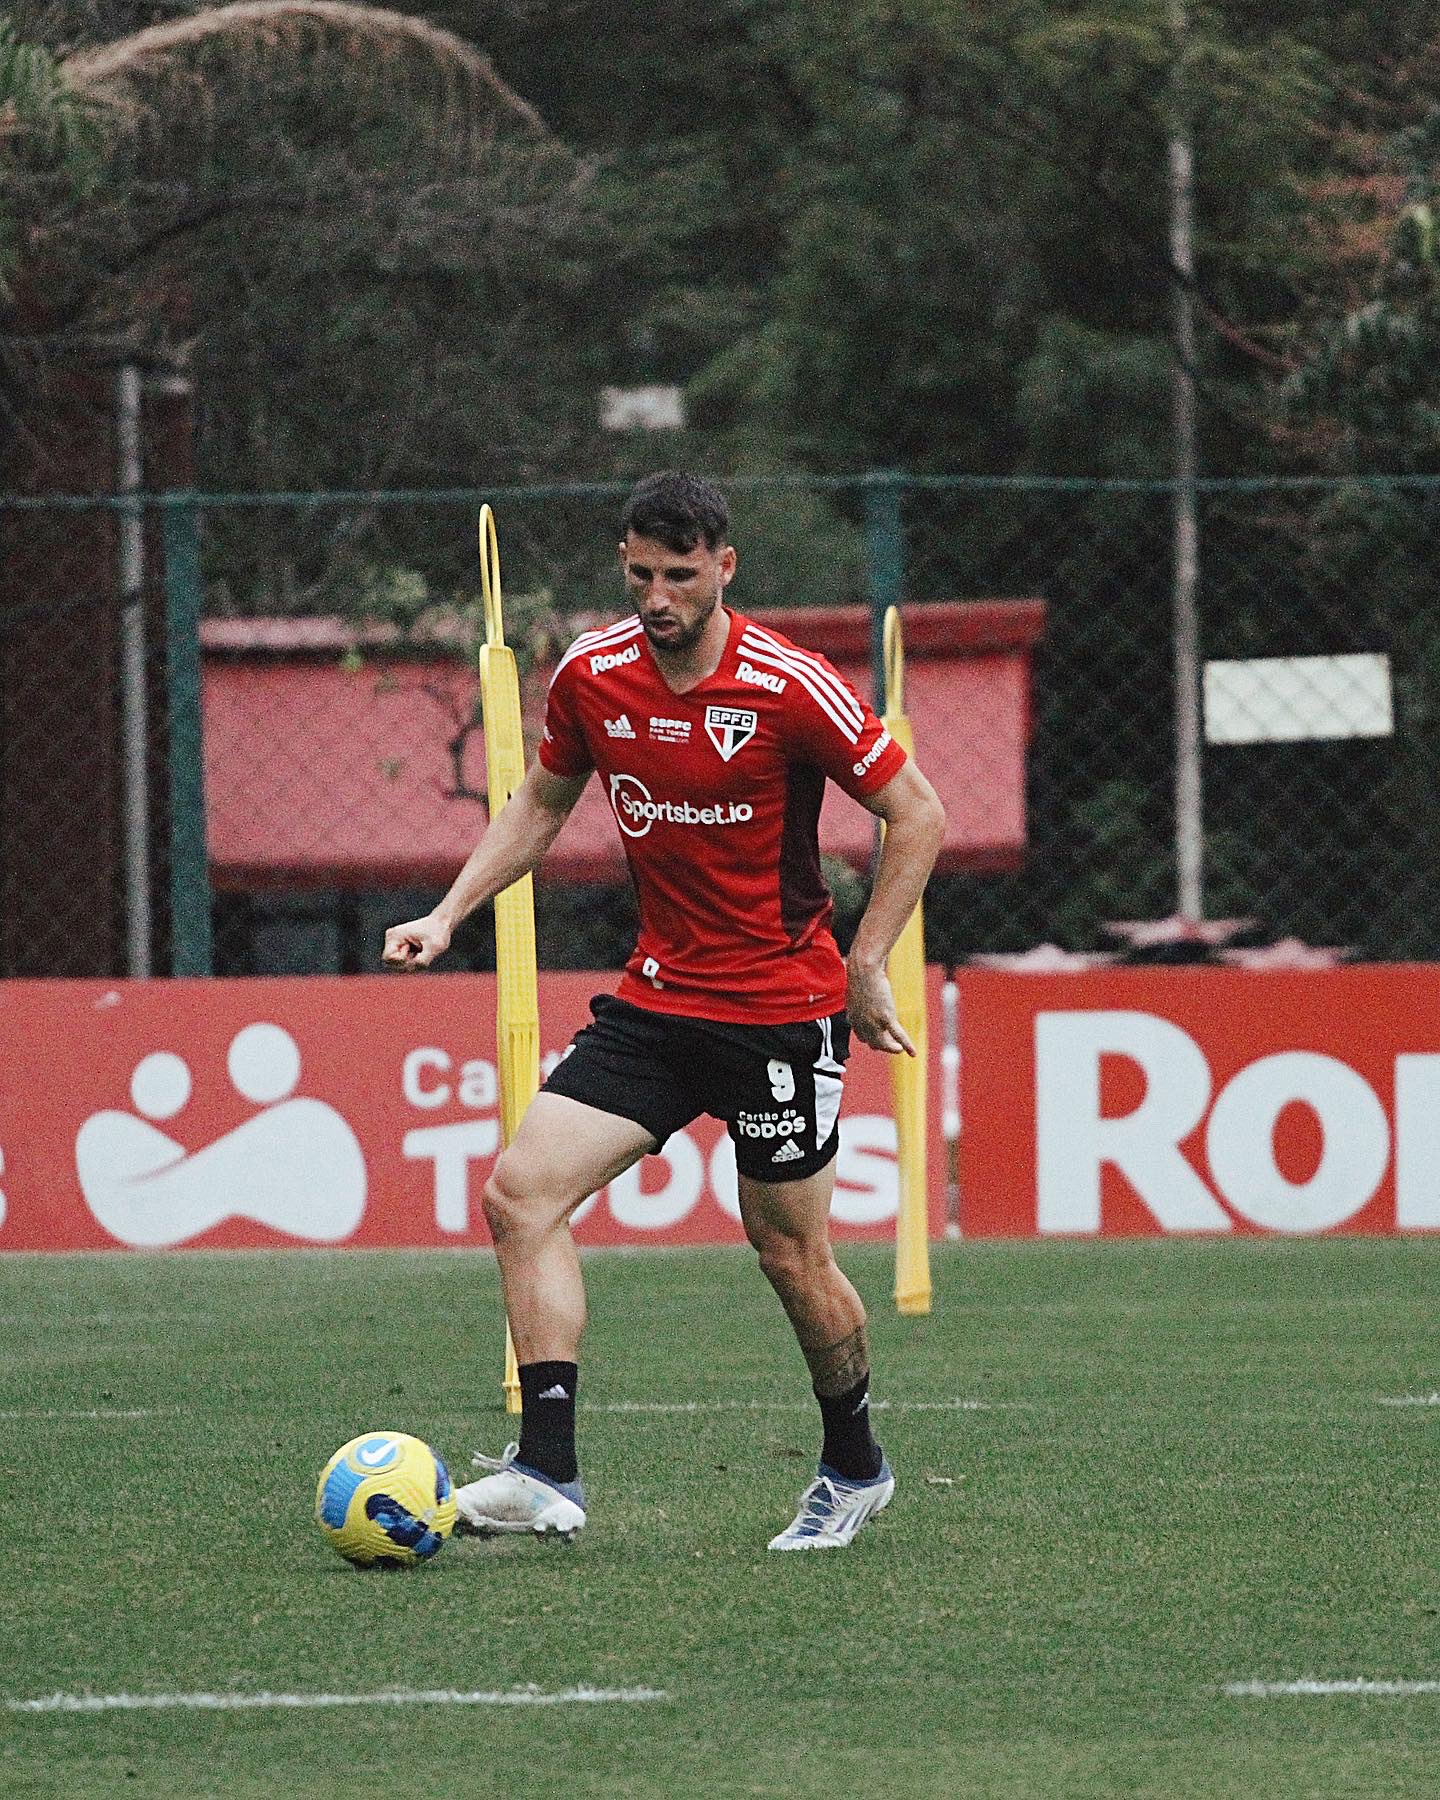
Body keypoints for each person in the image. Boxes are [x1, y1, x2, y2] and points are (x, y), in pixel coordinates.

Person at [382, 471, 945, 1550]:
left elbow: (916, 814)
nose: (656, 596)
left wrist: (866, 963)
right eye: (639, 573)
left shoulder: (791, 686)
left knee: (790, 1255)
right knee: (519, 1195)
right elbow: (542, 802)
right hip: (660, 999)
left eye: (679, 576)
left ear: (725, 568)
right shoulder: (593, 677)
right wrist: (449, 912)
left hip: (781, 1009)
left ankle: (855, 1466)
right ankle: (548, 1472)